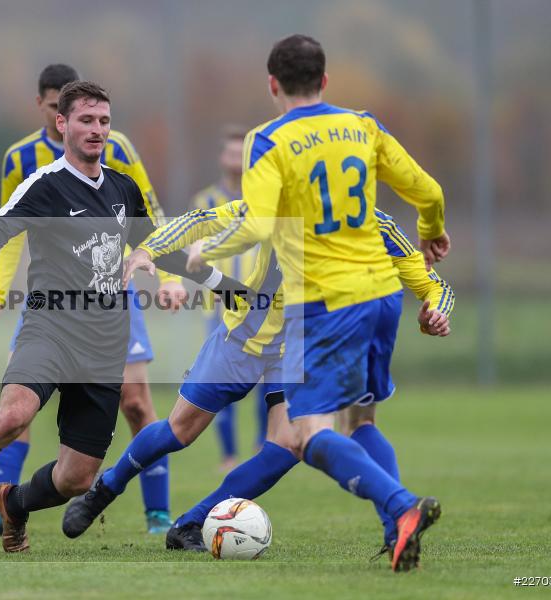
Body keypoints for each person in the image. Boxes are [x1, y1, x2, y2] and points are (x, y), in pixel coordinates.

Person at [68, 34, 452, 572]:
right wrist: (151, 250)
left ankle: (195, 521)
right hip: (247, 334)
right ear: (325, 81)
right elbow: (202, 221)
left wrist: (439, 300)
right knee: (182, 429)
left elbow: (415, 265)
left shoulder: (288, 171)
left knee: (291, 444)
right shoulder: (332, 156)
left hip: (305, 329)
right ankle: (105, 489)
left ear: (273, 85)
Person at [0, 81, 247, 556]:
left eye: (103, 121)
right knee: (12, 417)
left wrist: (230, 288)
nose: (97, 130)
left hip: (103, 344)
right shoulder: (45, 185)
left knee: (77, 478)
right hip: (50, 329)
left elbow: (166, 250)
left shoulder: (124, 189)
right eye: (86, 120)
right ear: (62, 123)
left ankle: (14, 504)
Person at [0, 64, 186, 538]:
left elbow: (150, 209)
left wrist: (165, 273)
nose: (92, 127)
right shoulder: (21, 159)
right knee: (18, 405)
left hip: (111, 295)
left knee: (137, 400)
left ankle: (157, 513)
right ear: (47, 109)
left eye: (97, 118)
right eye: (59, 105)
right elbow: (8, 233)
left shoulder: (115, 147)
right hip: (51, 301)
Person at [163, 208, 453, 559]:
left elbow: (236, 226)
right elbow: (434, 278)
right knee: (348, 426)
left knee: (302, 438)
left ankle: (402, 509)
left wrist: (201, 254)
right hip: (373, 315)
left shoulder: (301, 210)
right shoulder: (379, 221)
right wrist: (436, 308)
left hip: (326, 329)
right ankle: (397, 530)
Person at [189, 125, 266, 472]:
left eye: (242, 153)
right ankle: (228, 455)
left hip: (262, 305)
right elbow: (193, 247)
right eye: (231, 153)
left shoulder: (263, 198)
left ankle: (263, 446)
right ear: (222, 157)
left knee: (268, 381)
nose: (236, 160)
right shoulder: (205, 202)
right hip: (220, 306)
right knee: (221, 381)